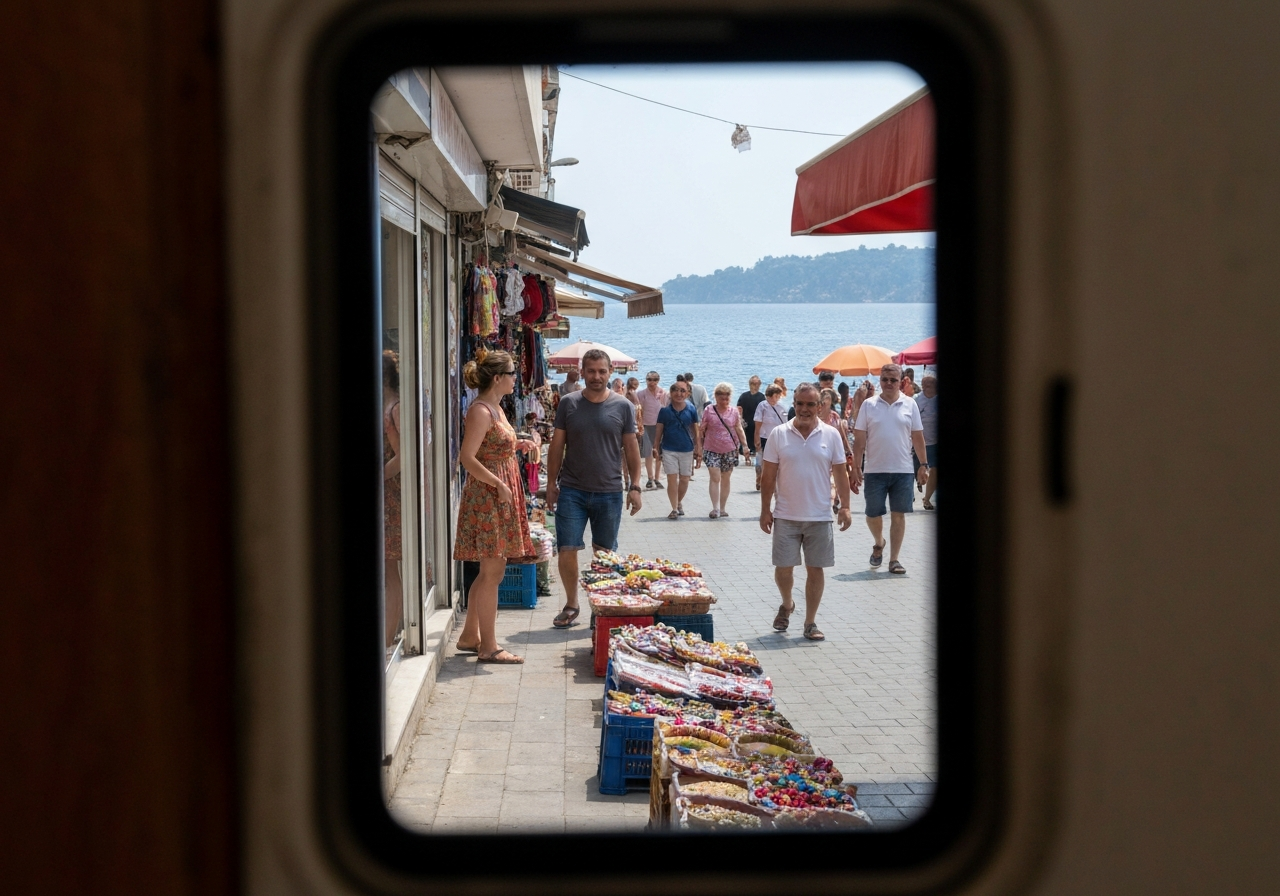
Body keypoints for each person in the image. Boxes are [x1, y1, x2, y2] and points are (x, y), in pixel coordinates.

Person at [545, 349, 643, 628]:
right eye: (591, 371)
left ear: (610, 372)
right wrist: (551, 484)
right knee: (567, 548)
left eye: (602, 371)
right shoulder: (568, 403)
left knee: (605, 553)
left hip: (609, 491)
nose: (596, 376)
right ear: (582, 372)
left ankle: (600, 605)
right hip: (572, 490)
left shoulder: (623, 406)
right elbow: (556, 446)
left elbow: (632, 448)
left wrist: (635, 486)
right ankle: (571, 603)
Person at [453, 349, 538, 664]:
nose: (517, 378)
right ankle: (488, 647)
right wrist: (498, 484)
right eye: (513, 373)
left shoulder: (495, 409)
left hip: (499, 491)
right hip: (489, 496)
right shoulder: (481, 410)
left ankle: (469, 635)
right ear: (498, 377)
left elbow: (491, 446)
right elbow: (468, 457)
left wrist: (518, 444)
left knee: (490, 570)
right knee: (493, 570)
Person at [759, 383, 853, 642]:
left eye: (811, 404)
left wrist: (845, 506)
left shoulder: (831, 434)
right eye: (800, 404)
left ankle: (810, 622)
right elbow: (768, 477)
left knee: (816, 570)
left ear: (820, 407)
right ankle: (787, 604)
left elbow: (840, 474)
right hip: (786, 515)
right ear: (794, 405)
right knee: (783, 569)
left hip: (820, 516)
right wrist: (765, 510)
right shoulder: (779, 434)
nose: (804, 409)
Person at [849, 364, 929, 575]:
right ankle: (879, 542)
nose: (889, 384)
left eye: (893, 380)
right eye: (885, 379)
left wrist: (923, 464)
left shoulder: (909, 404)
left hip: (903, 469)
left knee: (898, 515)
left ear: (901, 381)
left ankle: (894, 559)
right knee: (872, 514)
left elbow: (918, 436)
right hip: (875, 469)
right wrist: (856, 466)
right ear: (880, 380)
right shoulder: (869, 405)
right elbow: (859, 439)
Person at [652, 380, 702, 519]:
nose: (678, 393)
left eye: (682, 391)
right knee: (672, 478)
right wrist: (655, 446)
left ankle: (678, 502)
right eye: (675, 390)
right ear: (671, 392)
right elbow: (659, 430)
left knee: (685, 479)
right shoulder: (664, 411)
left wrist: (699, 448)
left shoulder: (691, 409)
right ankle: (674, 508)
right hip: (669, 449)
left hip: (687, 448)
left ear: (688, 393)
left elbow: (696, 430)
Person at [699, 382, 748, 519]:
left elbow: (738, 428)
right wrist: (698, 447)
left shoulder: (733, 412)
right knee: (715, 477)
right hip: (711, 449)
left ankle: (723, 508)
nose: (724, 401)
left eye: (727, 398)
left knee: (726, 478)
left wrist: (745, 446)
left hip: (730, 449)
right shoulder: (709, 410)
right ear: (716, 397)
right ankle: (715, 509)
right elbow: (701, 429)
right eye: (722, 398)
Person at [382, 350, 403, 651]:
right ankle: (390, 632)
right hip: (390, 492)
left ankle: (388, 637)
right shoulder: (391, 404)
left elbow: (403, 456)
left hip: (392, 493)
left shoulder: (395, 407)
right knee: (389, 566)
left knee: (390, 567)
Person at [636, 371, 668, 490]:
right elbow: (638, 411)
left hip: (660, 426)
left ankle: (657, 478)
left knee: (659, 453)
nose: (652, 382)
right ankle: (650, 478)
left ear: (658, 380)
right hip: (646, 425)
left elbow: (666, 408)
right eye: (649, 379)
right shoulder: (641, 394)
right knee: (648, 452)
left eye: (654, 379)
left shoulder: (663, 393)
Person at [753, 383, 788, 490]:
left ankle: (771, 482)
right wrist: (756, 437)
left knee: (774, 461)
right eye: (773, 396)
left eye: (778, 396)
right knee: (761, 460)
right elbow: (758, 423)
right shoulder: (762, 406)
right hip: (764, 436)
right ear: (768, 396)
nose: (775, 399)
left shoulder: (782, 407)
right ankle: (759, 477)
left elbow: (786, 424)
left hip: (777, 437)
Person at [915, 374, 939, 509]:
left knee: (935, 470)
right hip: (920, 442)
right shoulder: (918, 400)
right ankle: (919, 479)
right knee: (919, 468)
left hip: (935, 442)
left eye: (928, 386)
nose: (925, 388)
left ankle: (927, 499)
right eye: (923, 386)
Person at [737, 376, 767, 464]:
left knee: (756, 443)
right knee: (746, 442)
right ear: (750, 384)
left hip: (757, 424)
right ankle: (747, 458)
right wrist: (740, 419)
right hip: (746, 423)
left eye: (757, 384)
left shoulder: (761, 397)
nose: (755, 386)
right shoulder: (744, 396)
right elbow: (739, 408)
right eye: (753, 384)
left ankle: (756, 461)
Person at [522, 411, 542, 496]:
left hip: (532, 454)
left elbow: (537, 444)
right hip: (530, 453)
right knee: (530, 472)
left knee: (531, 472)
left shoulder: (533, 431)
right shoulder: (530, 431)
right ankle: (531, 490)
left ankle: (532, 490)